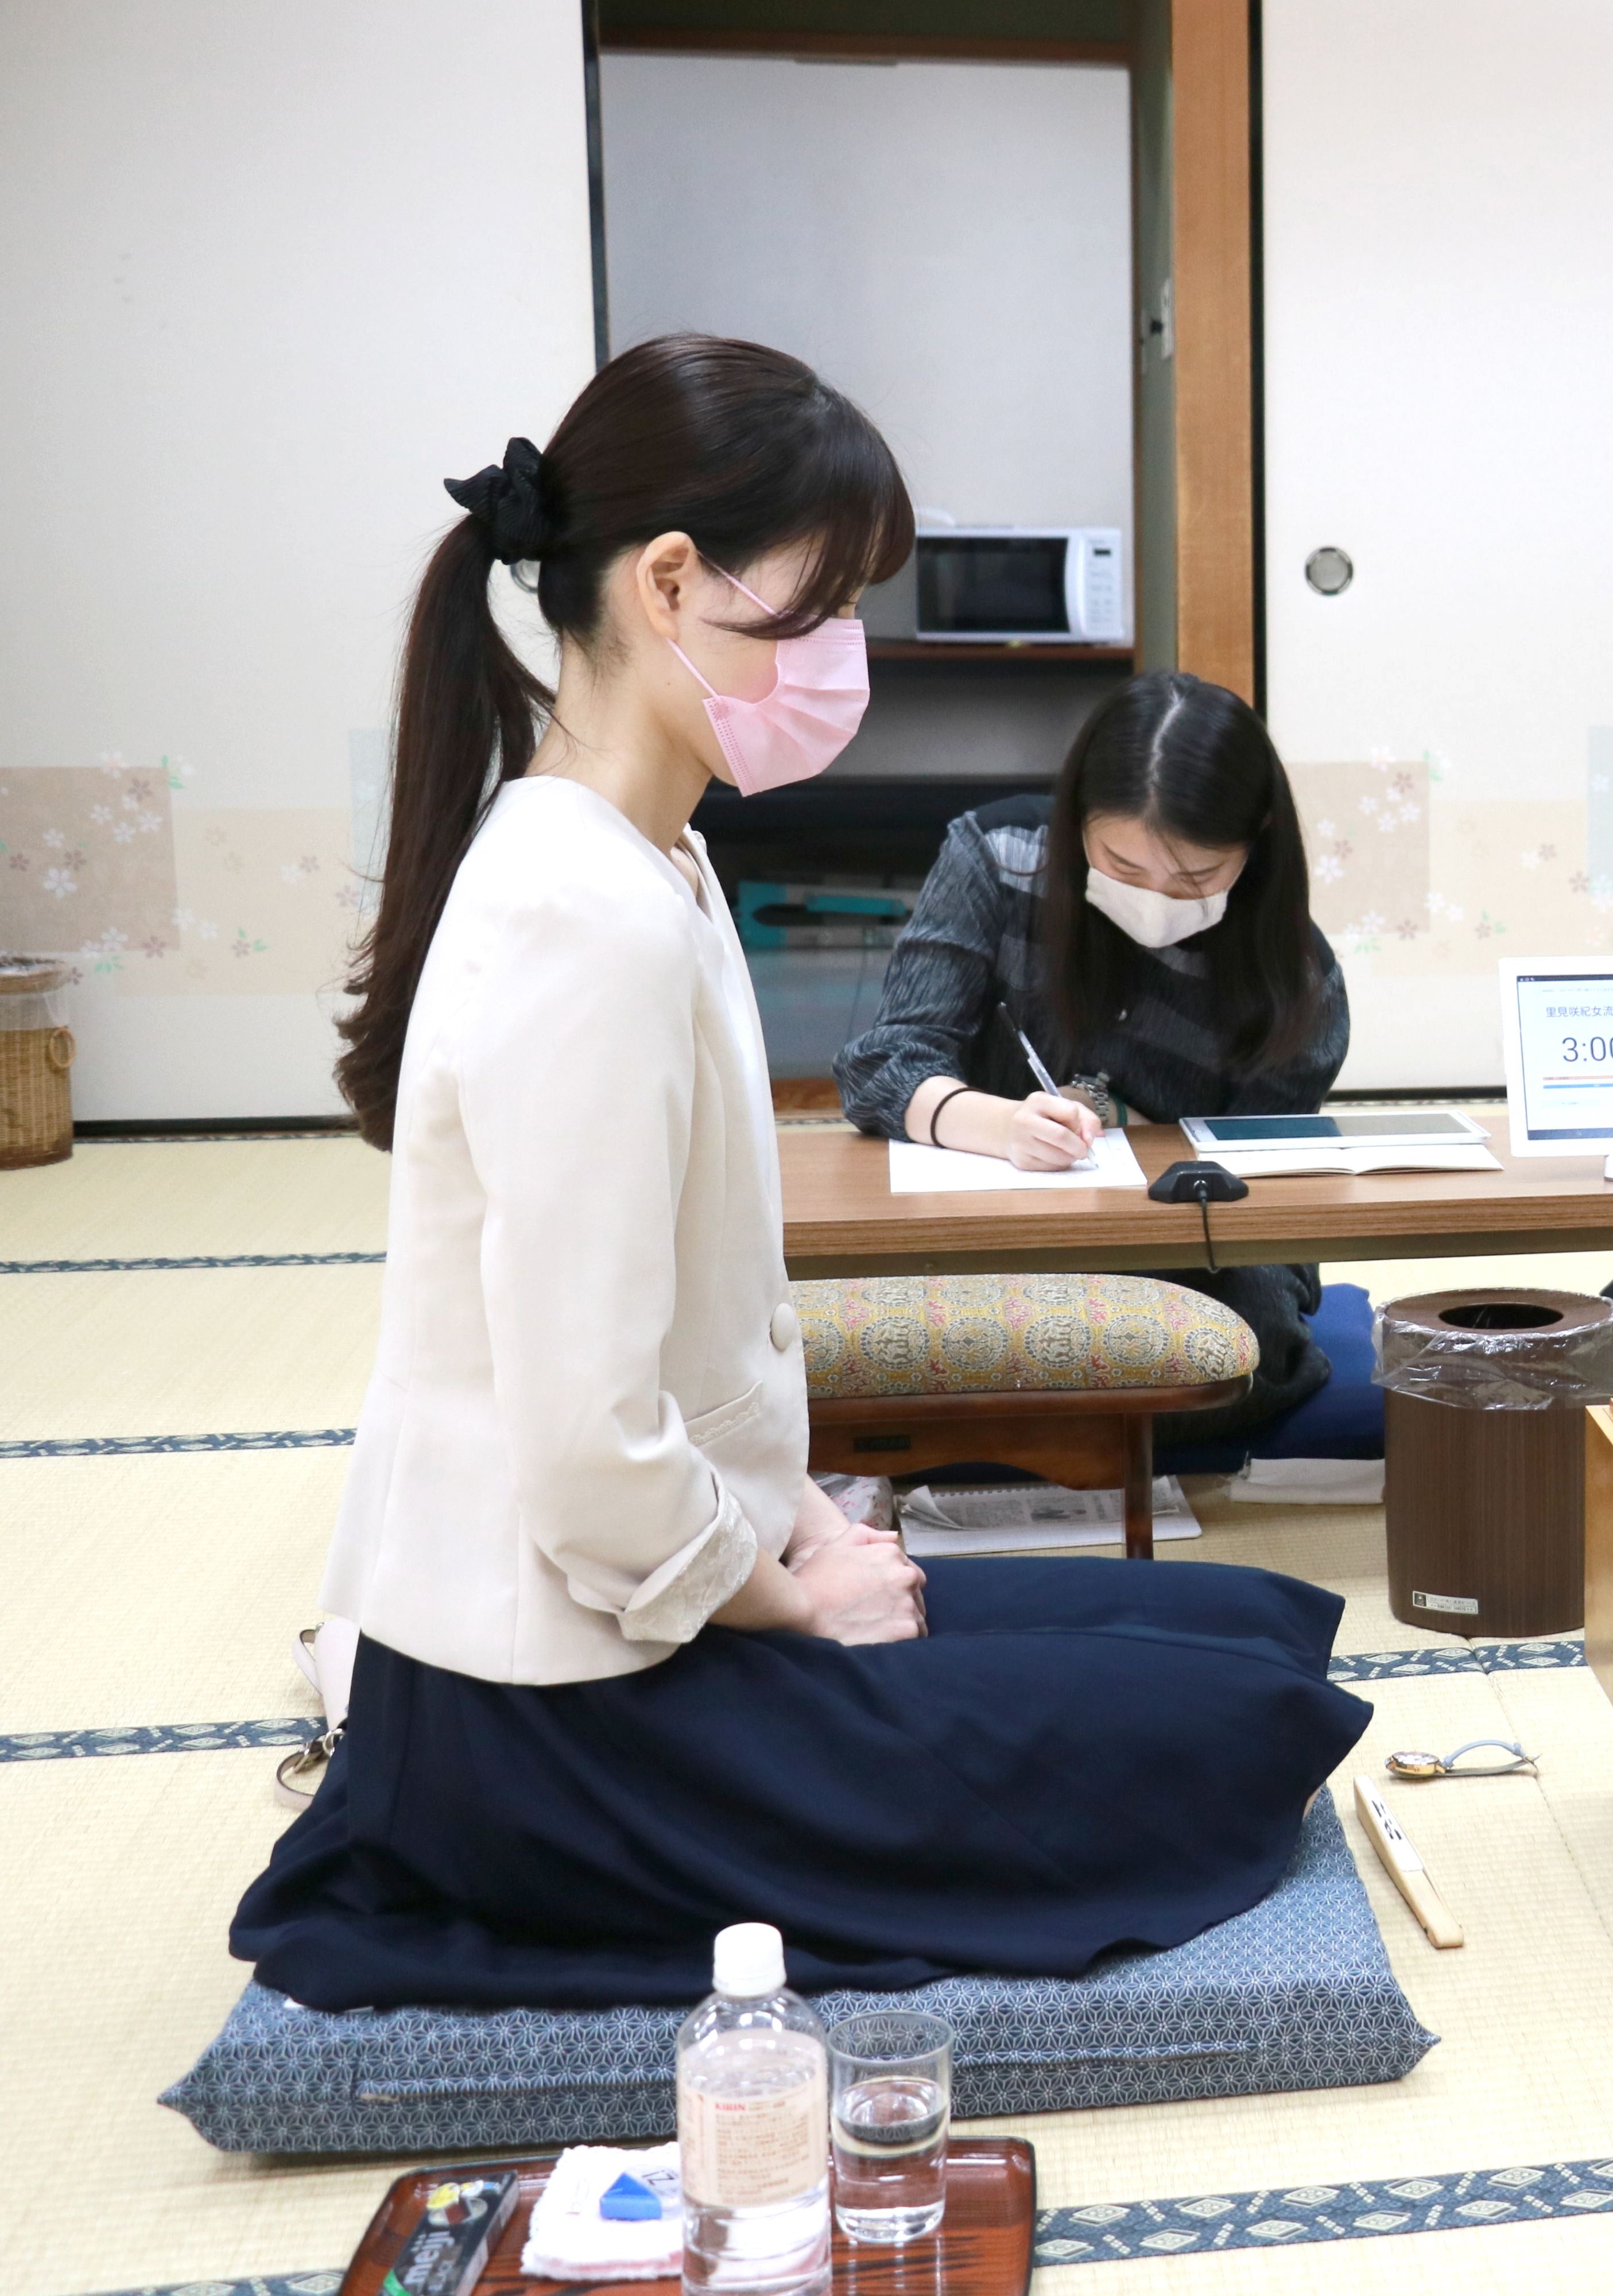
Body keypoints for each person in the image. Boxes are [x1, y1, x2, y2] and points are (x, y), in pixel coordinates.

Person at [235, 335, 1368, 2010]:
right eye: (821, 607)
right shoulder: (581, 914)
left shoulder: (657, 858)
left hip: (656, 1593)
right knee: (1243, 1722)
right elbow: (587, 1441)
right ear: (670, 583)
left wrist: (803, 1528)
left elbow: (673, 1368)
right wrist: (791, 1598)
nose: (845, 657)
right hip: (559, 1699)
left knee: (1253, 1626)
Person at [837, 674, 1347, 1445]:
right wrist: (1000, 1125)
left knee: (1239, 1354)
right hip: (986, 1217)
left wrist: (1135, 1143)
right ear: (1077, 816)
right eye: (1123, 866)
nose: (1157, 898)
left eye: (1197, 878)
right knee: (868, 1336)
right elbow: (884, 1063)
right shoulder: (999, 858)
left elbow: (1261, 1200)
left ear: (1259, 839)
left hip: (1183, 1250)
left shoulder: (1296, 975)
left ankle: (1012, 1427)